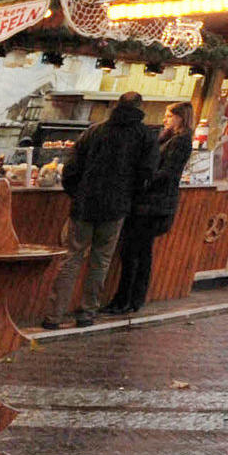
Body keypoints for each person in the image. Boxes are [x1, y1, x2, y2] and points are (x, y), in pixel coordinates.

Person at [43, 93, 158, 328]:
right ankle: (87, 312)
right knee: (101, 261)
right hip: (116, 208)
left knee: (72, 258)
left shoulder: (95, 131)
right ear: (140, 108)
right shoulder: (145, 136)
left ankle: (54, 315)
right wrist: (130, 199)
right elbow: (146, 175)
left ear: (116, 106)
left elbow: (72, 167)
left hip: (84, 205)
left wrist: (76, 193)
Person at [109, 100, 193, 317]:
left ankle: (128, 299)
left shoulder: (180, 141)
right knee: (138, 252)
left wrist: (142, 180)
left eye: (169, 115)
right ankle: (130, 299)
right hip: (152, 204)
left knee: (134, 252)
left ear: (180, 118)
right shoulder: (169, 138)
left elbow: (167, 172)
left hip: (152, 205)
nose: (165, 119)